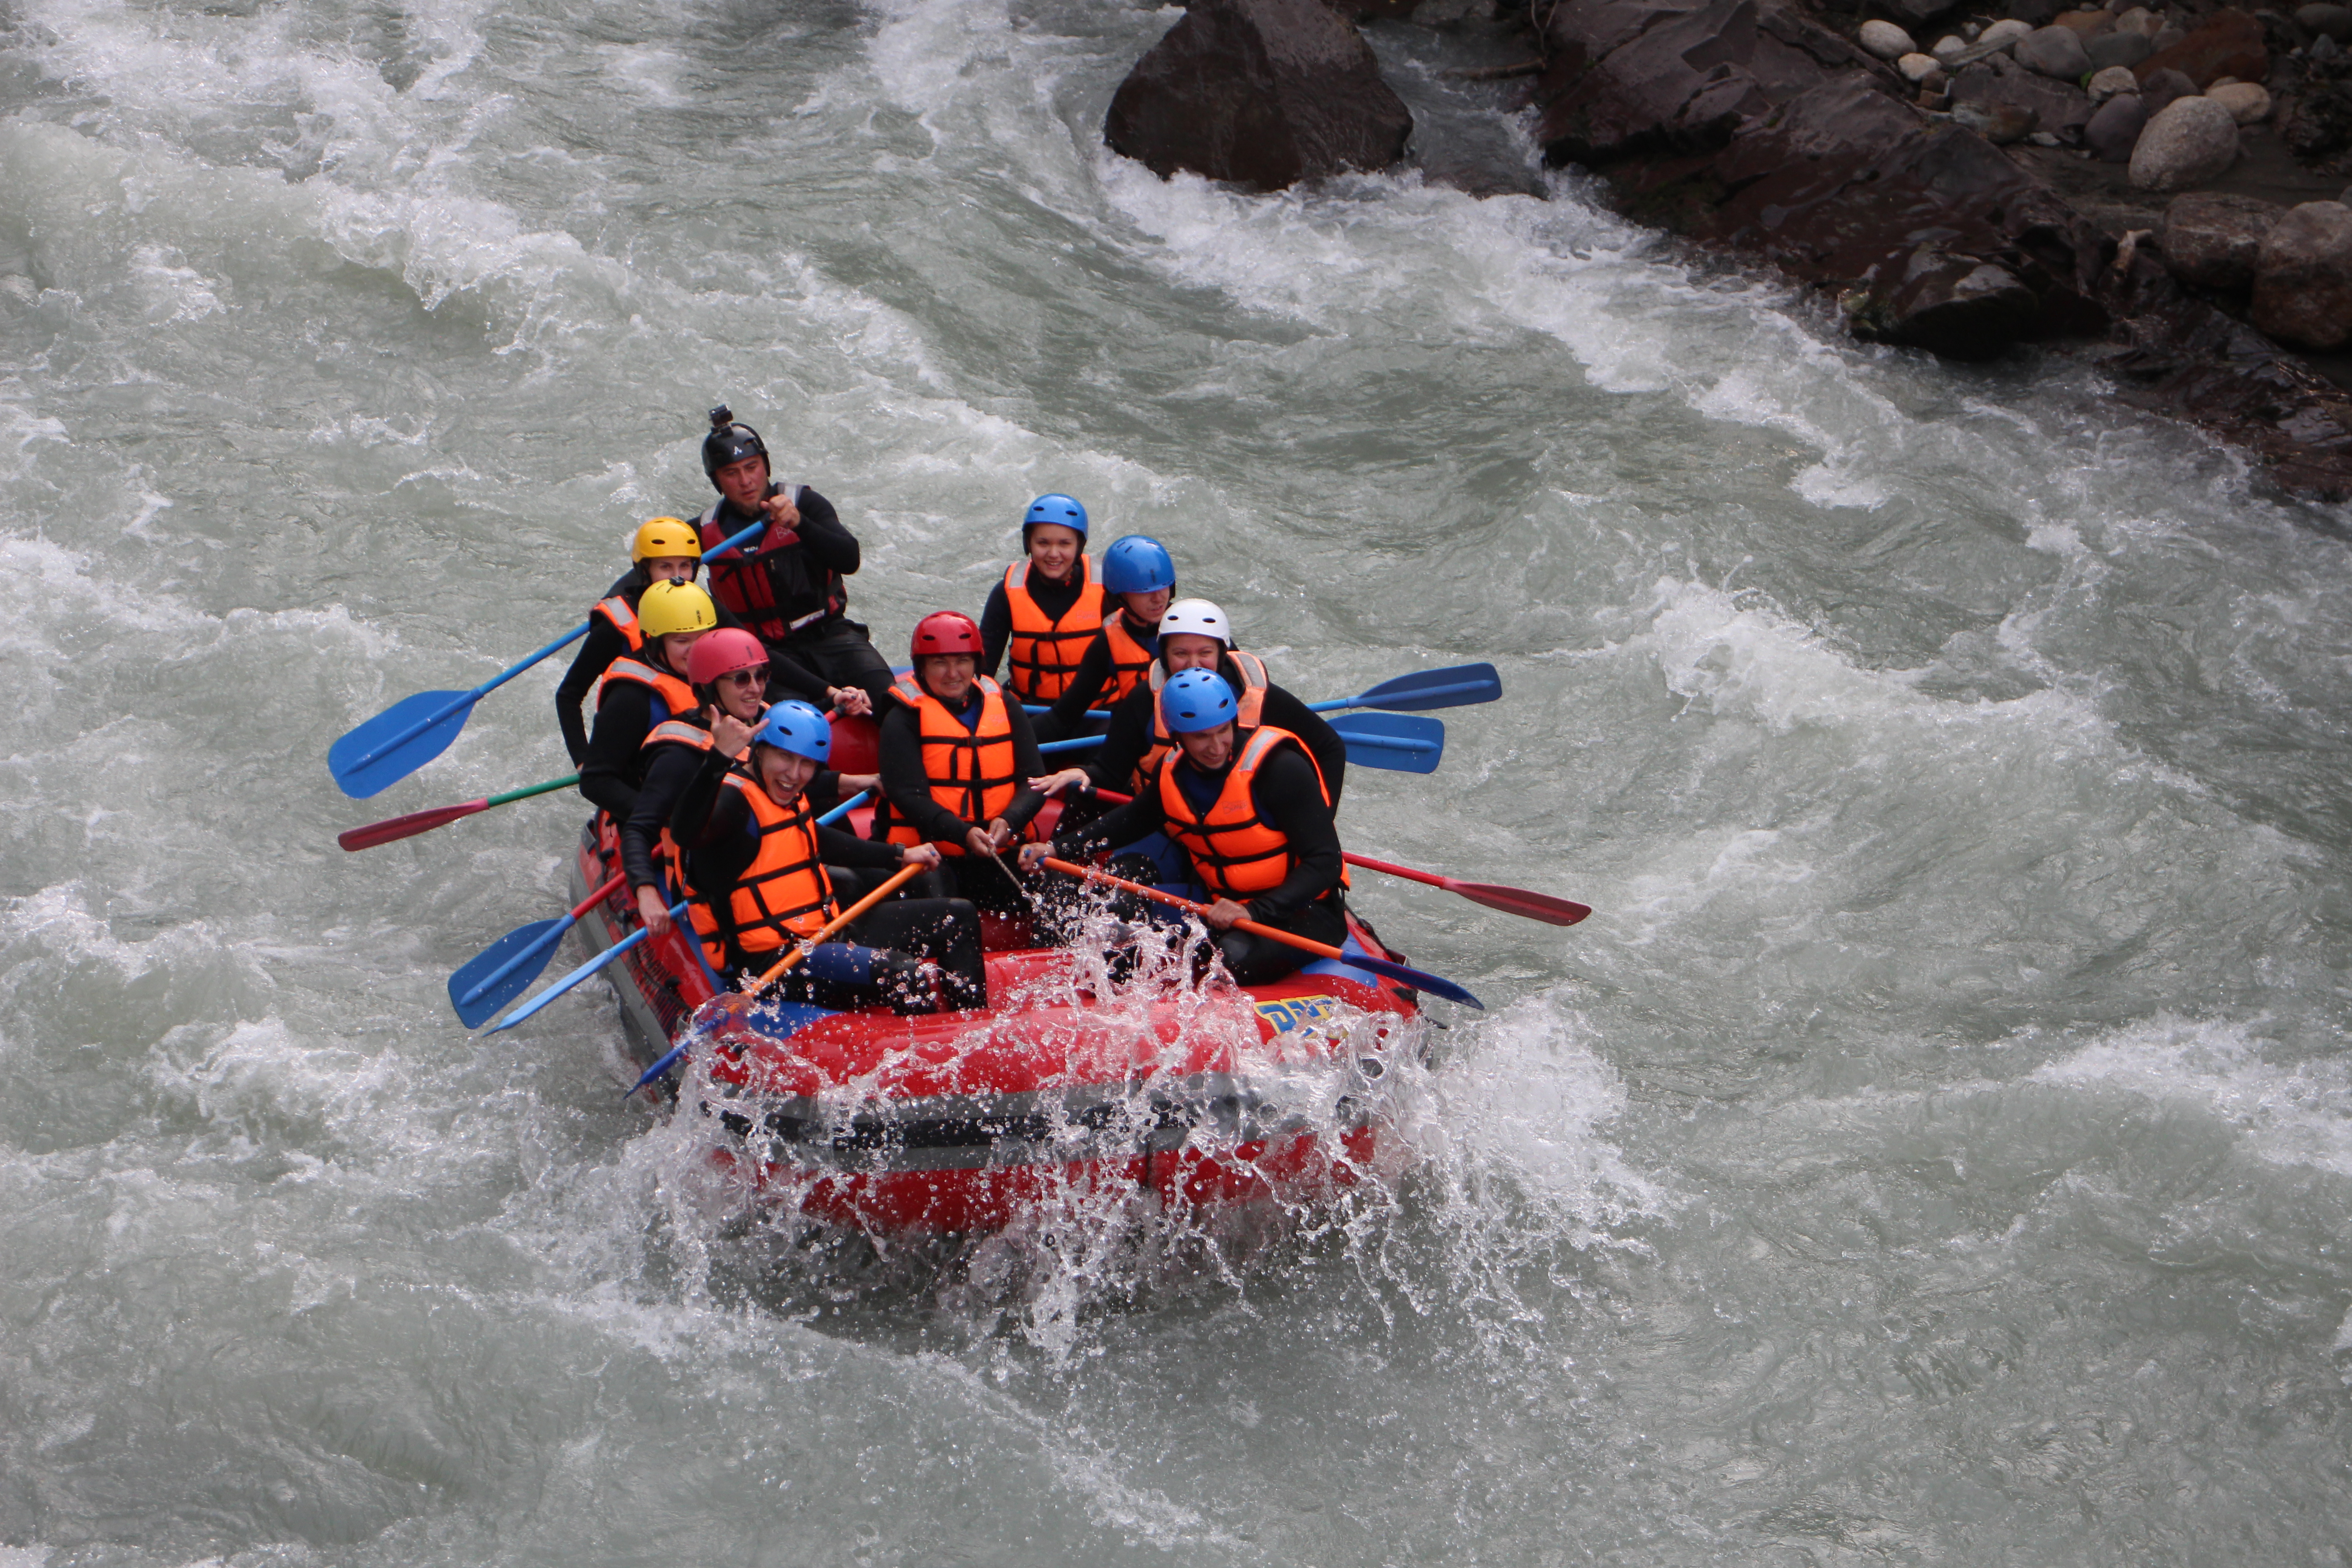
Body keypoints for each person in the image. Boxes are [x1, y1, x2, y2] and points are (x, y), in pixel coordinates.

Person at [1022, 670, 1345, 986]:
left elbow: (1326, 861)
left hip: (1302, 912)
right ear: (1178, 737)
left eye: (1223, 731)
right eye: (1201, 736)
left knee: (1229, 957)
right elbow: (1131, 820)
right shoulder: (1174, 772)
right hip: (1219, 904)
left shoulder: (1280, 770)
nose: (1216, 746)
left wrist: (1255, 912)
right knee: (1115, 928)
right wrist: (1056, 848)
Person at [671, 702, 987, 1014]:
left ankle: (972, 1023)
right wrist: (718, 758)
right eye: (785, 757)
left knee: (957, 916)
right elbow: (685, 833)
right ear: (760, 751)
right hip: (777, 962)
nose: (794, 775)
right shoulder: (732, 803)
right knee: (904, 973)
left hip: (826, 931)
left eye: (807, 764)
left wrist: (898, 854)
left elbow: (814, 839)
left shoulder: (787, 796)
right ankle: (935, 1055)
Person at [620, 627, 877, 940]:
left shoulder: (761, 720)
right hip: (718, 878)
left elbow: (790, 782)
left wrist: (859, 782)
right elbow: (639, 827)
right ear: (709, 685)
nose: (756, 689)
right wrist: (646, 892)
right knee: (850, 883)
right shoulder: (679, 754)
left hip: (768, 853)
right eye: (741, 679)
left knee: (868, 878)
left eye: (762, 676)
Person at [1028, 597, 1346, 808]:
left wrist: (1321, 818)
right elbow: (1109, 773)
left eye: (1205, 653)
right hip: (1171, 826)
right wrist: (1083, 774)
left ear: (1222, 655)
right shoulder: (1144, 701)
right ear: (1165, 655)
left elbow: (1330, 747)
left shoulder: (1258, 696)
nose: (1193, 664)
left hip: (1248, 828)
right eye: (1181, 654)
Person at [687, 404, 892, 715]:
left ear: (765, 466)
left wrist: (801, 524)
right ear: (718, 481)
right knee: (793, 718)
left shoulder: (805, 504)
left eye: (752, 467)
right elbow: (653, 576)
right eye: (732, 473)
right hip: (762, 654)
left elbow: (849, 559)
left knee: (892, 702)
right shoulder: (700, 532)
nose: (746, 481)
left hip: (831, 634)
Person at [872, 610, 1049, 916]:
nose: (953, 673)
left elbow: (1034, 780)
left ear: (976, 665)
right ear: (922, 668)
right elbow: (908, 796)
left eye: (962, 661)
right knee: (948, 906)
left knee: (1056, 888)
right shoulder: (902, 718)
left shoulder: (1004, 704)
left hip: (998, 851)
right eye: (940, 663)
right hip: (934, 855)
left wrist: (1010, 820)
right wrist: (963, 834)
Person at [555, 517, 743, 765]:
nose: (678, 578)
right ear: (645, 571)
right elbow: (569, 695)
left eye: (685, 566)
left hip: (696, 746)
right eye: (665, 567)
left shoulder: (701, 605)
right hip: (640, 752)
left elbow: (753, 654)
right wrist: (583, 760)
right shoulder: (614, 625)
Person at [577, 579, 717, 822]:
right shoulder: (631, 698)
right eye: (681, 641)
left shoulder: (721, 675)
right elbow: (595, 781)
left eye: (700, 639)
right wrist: (657, 816)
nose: (694, 651)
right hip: (655, 814)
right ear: (653, 641)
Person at [977, 494, 1102, 714]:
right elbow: (982, 671)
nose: (1054, 554)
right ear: (1029, 544)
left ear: (1079, 546)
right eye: (1043, 543)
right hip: (1031, 713)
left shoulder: (1108, 589)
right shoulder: (1006, 593)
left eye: (1065, 544)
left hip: (1096, 715)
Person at [1038, 533, 1174, 735]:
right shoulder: (1108, 643)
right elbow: (1064, 716)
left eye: (1163, 586)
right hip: (1140, 745)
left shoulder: (1198, 627)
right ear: (1120, 595)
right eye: (1144, 591)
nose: (1158, 599)